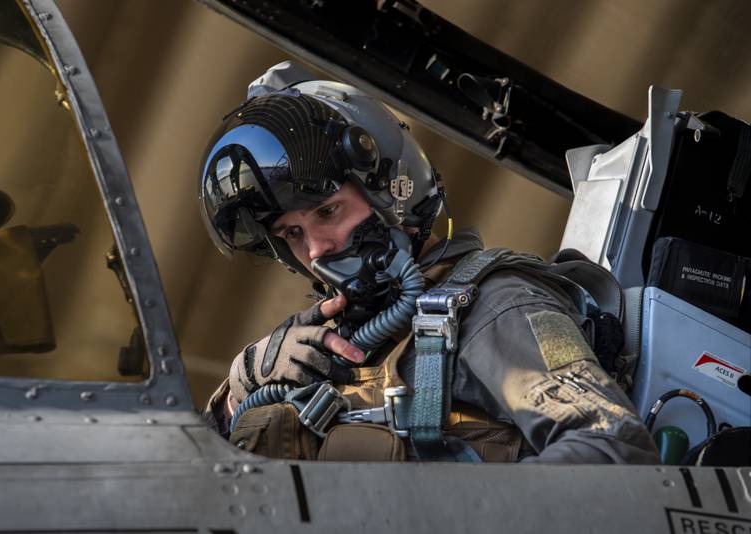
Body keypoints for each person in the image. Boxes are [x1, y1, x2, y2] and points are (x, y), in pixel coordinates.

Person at [199, 61, 659, 464]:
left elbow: (611, 447)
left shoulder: (497, 307)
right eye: (292, 233)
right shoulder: (314, 349)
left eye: (327, 211)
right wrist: (242, 385)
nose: (317, 249)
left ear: (395, 189)